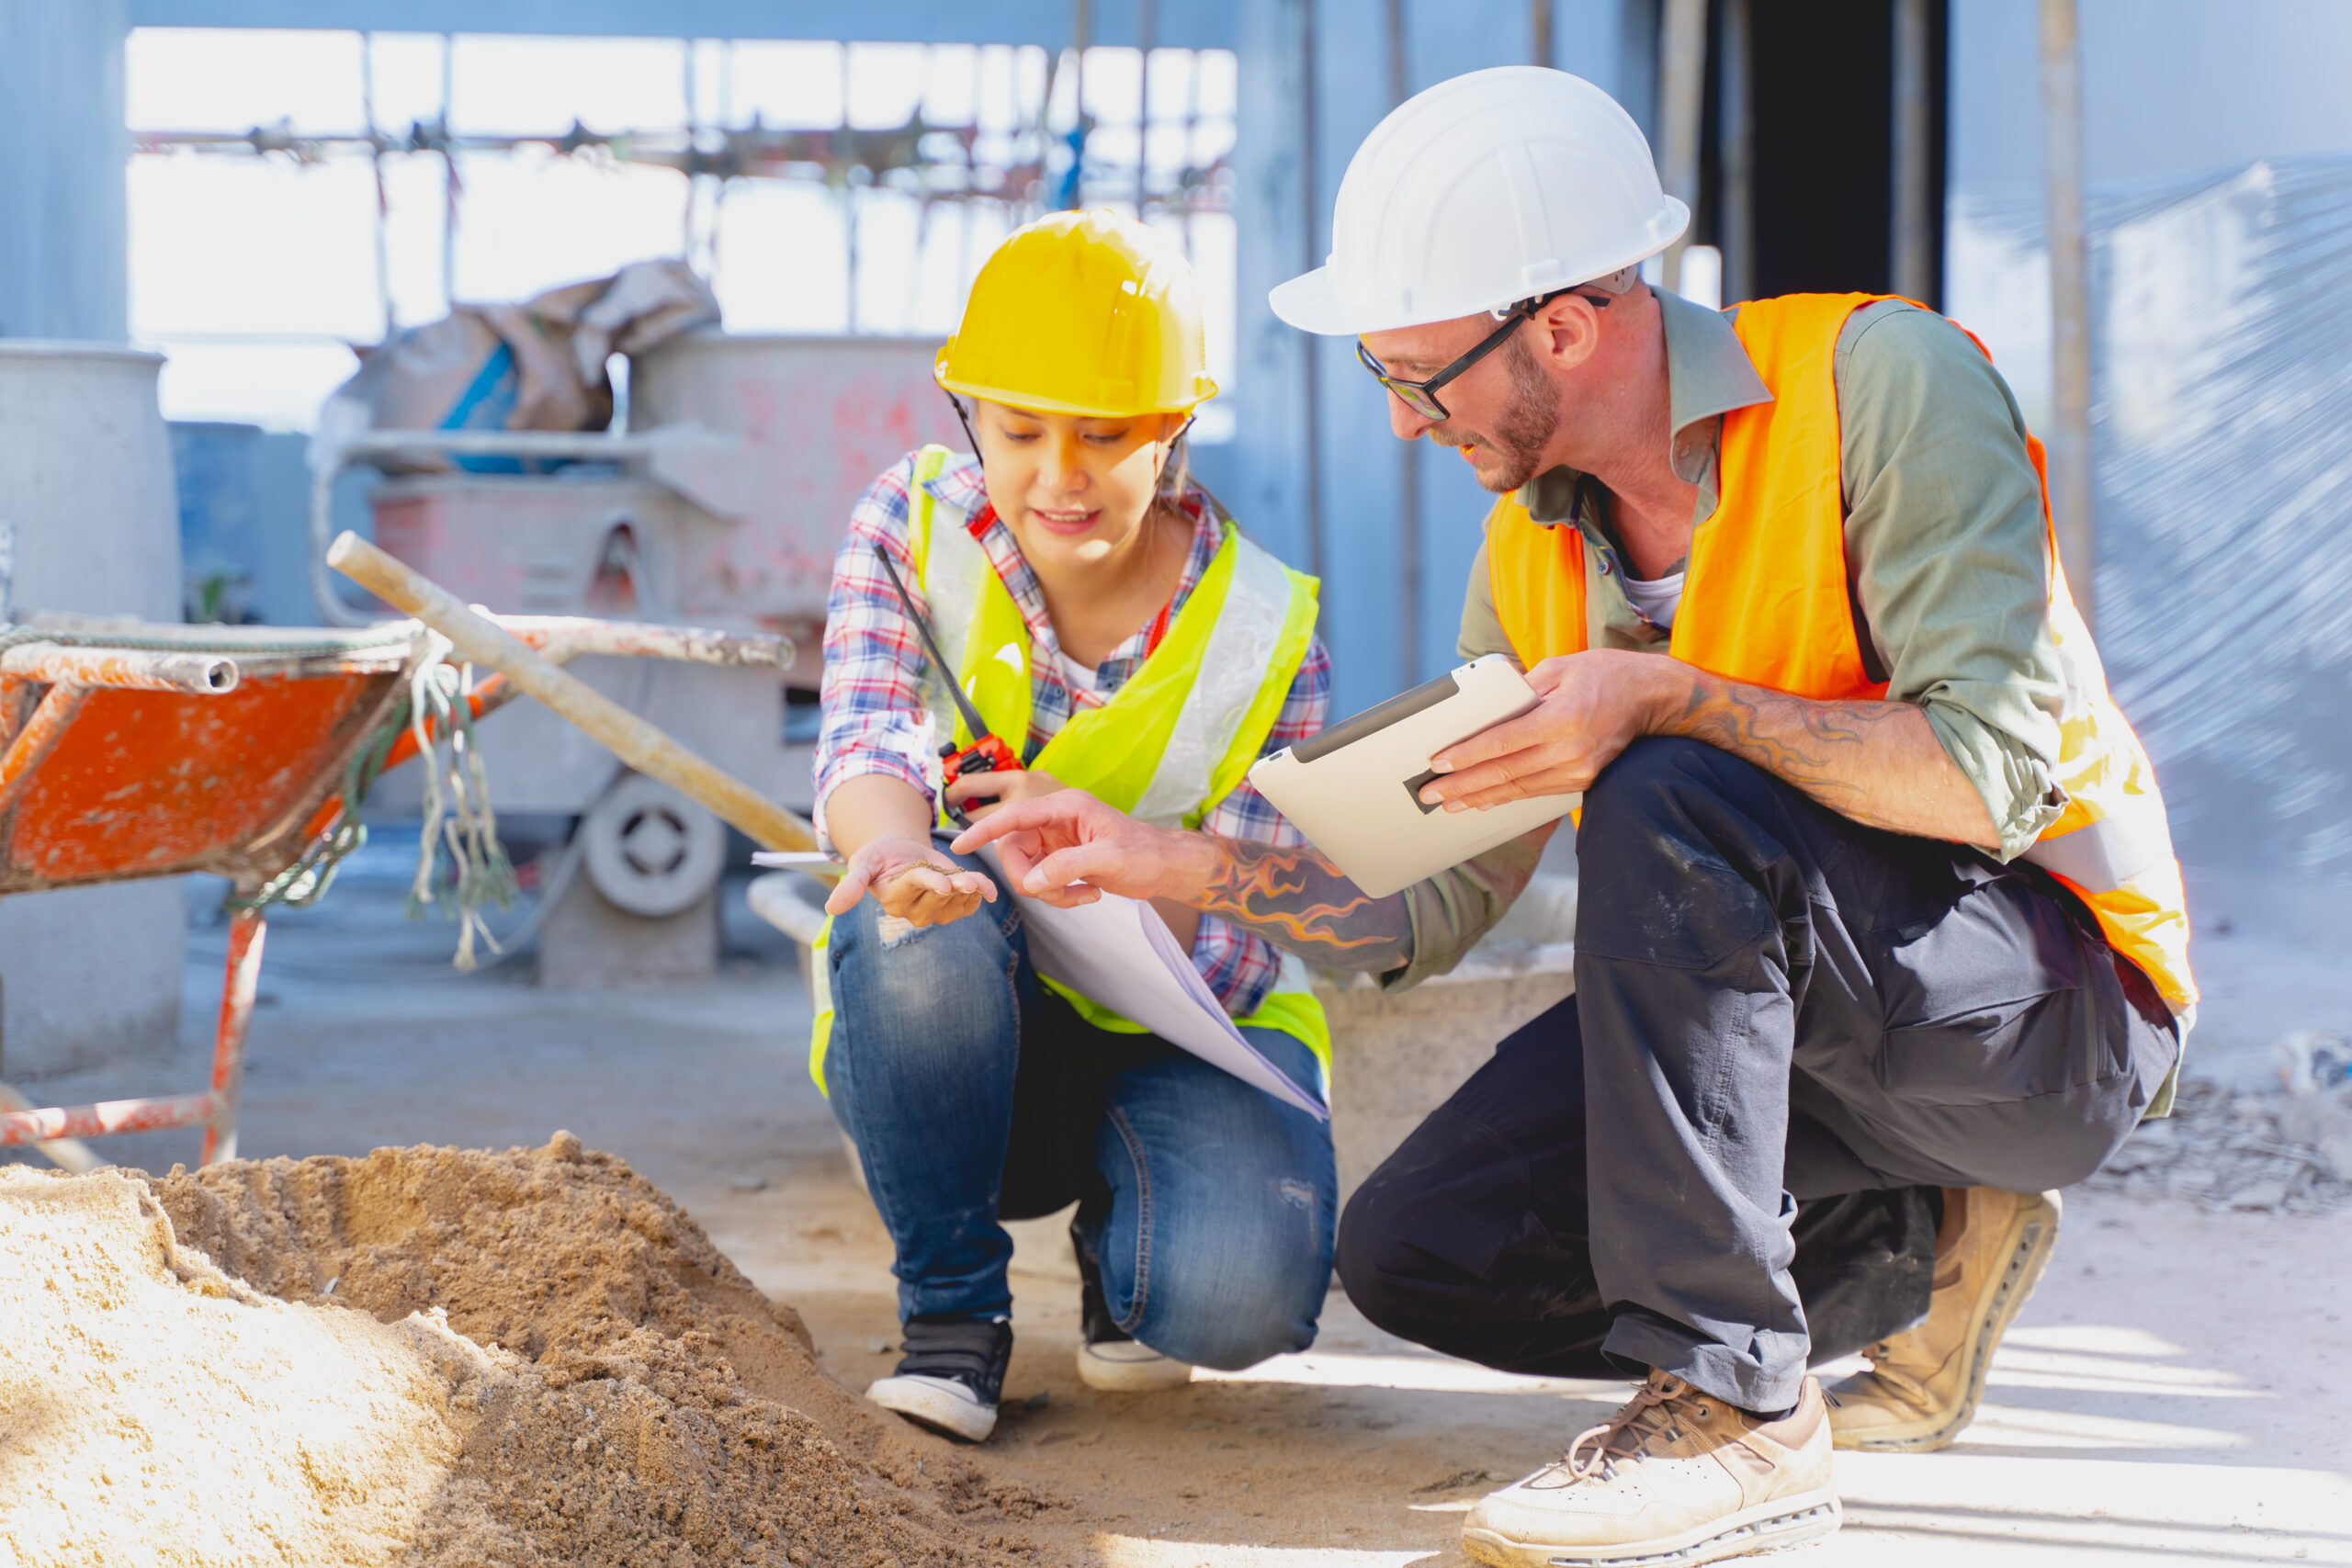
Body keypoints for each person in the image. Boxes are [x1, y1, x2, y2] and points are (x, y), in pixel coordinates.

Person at [951, 67, 2192, 1564]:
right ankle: (1928, 1246)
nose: (1406, 422)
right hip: (1814, 1047)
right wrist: (1193, 868)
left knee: (1671, 788)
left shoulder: (1886, 387)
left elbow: (1987, 773)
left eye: (1419, 377)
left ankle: (1736, 1410)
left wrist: (1678, 702)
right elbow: (1430, 887)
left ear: (1563, 327)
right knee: (1425, 1251)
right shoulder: (1529, 545)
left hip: (2049, 1010)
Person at [808, 209, 1338, 1445]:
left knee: (1235, 1298)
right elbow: (868, 733)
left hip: (1180, 1022)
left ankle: (1130, 1245)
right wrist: (894, 846)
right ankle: (952, 1313)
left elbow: (1266, 914)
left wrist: (1117, 872)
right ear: (967, 420)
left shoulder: (1266, 629)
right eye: (1020, 431)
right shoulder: (909, 527)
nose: (1061, 474)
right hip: (969, 1010)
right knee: (911, 929)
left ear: (1175, 430)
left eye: (1106, 434)